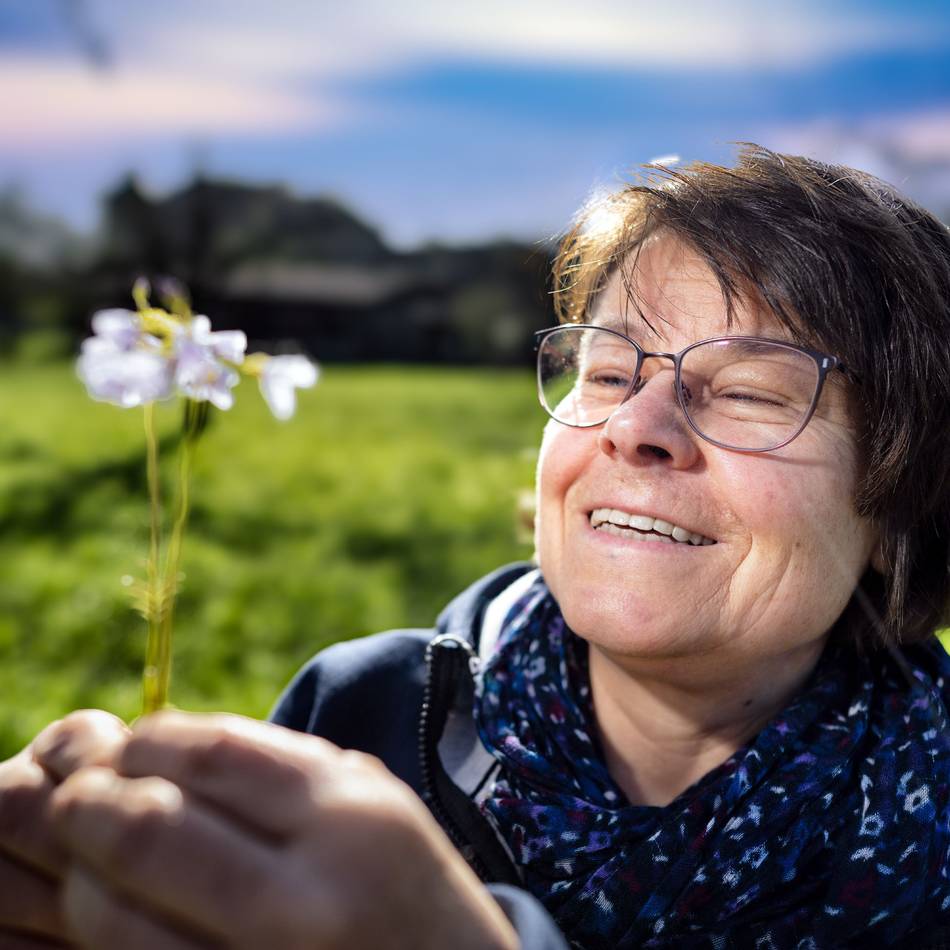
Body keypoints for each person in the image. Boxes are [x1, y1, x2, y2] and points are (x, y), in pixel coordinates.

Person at [1, 144, 949, 949]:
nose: (635, 425)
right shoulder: (363, 710)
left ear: (901, 507)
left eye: (748, 391)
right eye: (607, 371)